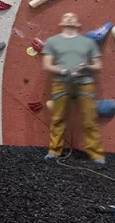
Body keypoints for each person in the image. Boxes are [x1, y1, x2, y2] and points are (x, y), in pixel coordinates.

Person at [42, 11, 105, 165]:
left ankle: (95, 153)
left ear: (78, 24)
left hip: (85, 83)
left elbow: (98, 66)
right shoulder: (52, 41)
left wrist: (86, 67)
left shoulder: (88, 42)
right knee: (58, 119)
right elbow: (47, 65)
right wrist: (64, 71)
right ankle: (54, 151)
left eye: (73, 17)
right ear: (61, 23)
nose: (69, 18)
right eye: (66, 16)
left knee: (89, 120)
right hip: (61, 83)